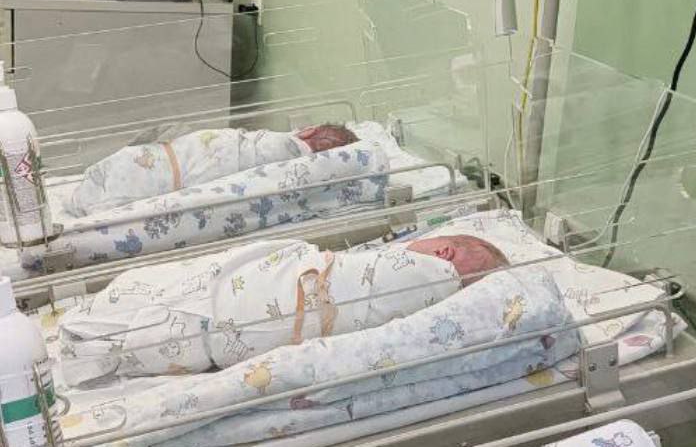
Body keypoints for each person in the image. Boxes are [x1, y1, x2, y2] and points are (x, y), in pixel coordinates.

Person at [58, 234, 509, 386]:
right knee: (166, 322)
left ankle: (89, 339)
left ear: (445, 253)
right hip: (224, 321)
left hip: (227, 308)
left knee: (164, 310)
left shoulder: (429, 274)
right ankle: (96, 344)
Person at [67, 124, 360, 216]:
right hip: (176, 159)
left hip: (167, 161)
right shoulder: (281, 147)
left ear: (308, 131)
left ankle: (85, 200)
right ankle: (87, 201)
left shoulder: (286, 146)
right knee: (130, 175)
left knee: (127, 171)